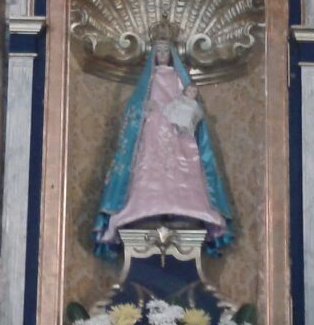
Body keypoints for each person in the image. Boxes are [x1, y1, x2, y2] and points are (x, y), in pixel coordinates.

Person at [92, 33, 235, 258]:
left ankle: (184, 207)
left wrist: (182, 109)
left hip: (177, 130)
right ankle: (145, 206)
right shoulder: (149, 79)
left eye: (166, 51)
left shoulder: (178, 78)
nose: (162, 55)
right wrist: (145, 108)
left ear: (172, 55)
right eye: (158, 52)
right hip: (152, 129)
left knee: (182, 166)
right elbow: (136, 106)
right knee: (149, 166)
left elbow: (188, 102)